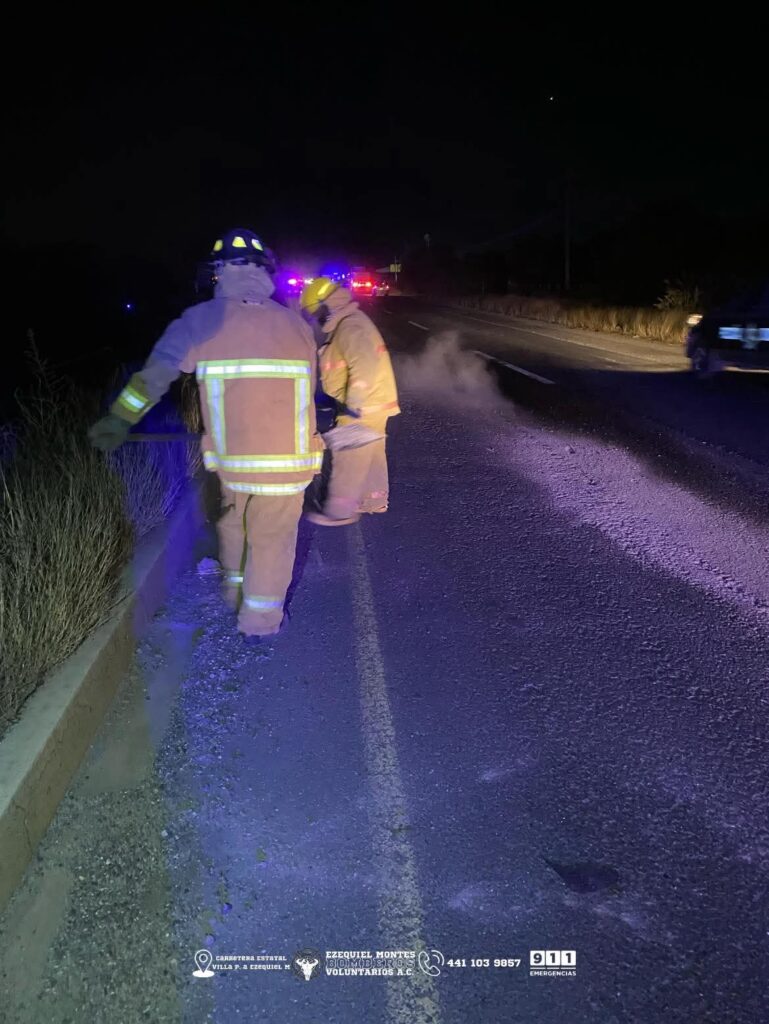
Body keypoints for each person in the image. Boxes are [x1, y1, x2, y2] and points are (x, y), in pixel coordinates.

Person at [89, 228, 323, 640]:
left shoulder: (198, 322)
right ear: (264, 272)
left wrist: (118, 420)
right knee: (271, 539)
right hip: (288, 463)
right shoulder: (296, 324)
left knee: (235, 525)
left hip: (234, 462)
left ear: (218, 273)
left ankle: (237, 596)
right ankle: (261, 621)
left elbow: (153, 378)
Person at [299, 277, 399, 525]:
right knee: (371, 453)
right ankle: (373, 500)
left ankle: (338, 510)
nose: (317, 320)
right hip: (374, 404)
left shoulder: (349, 326)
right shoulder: (349, 323)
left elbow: (364, 365)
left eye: (317, 313)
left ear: (326, 305)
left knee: (349, 455)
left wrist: (353, 405)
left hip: (362, 406)